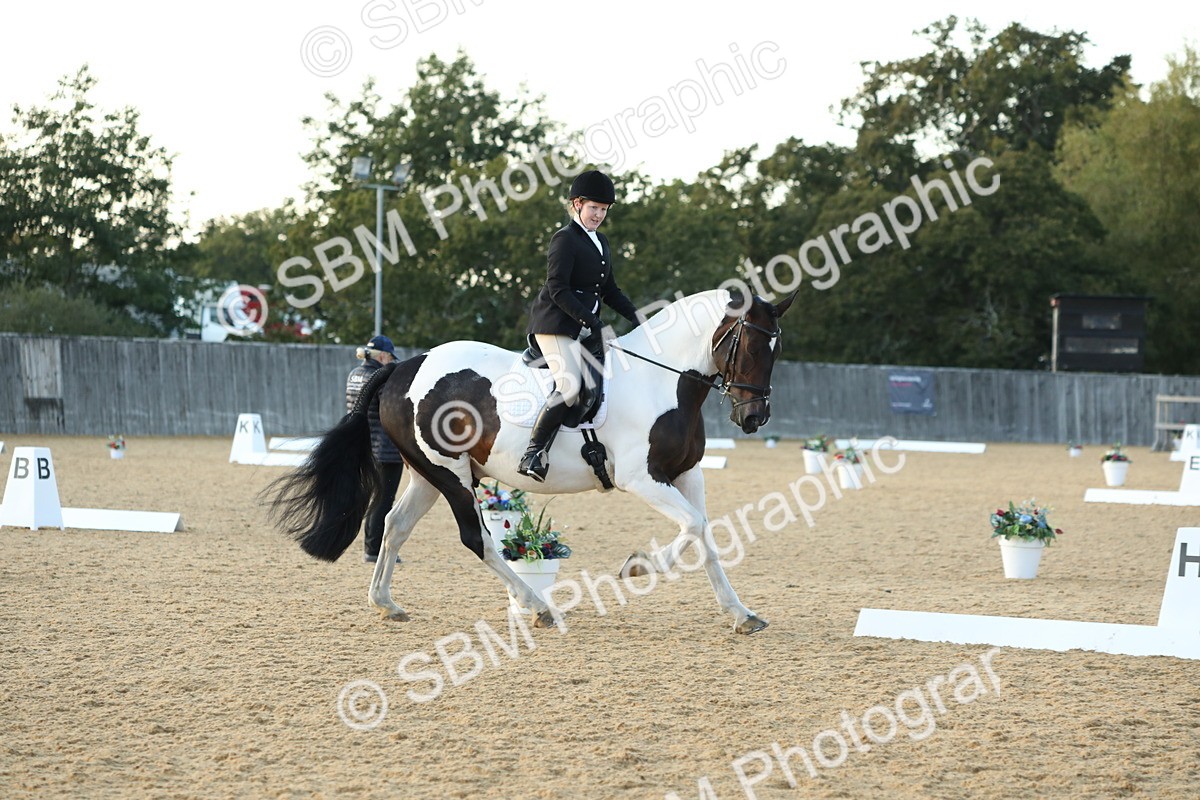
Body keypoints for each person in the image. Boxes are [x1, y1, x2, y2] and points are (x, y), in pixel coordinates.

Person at [518, 169, 641, 482]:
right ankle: (534, 453)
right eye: (593, 208)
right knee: (570, 385)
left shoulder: (601, 242)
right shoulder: (565, 239)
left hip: (583, 327)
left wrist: (638, 318)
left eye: (603, 210)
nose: (598, 215)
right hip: (555, 325)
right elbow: (558, 289)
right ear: (577, 205)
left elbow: (609, 290)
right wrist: (594, 323)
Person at [345, 334, 404, 562]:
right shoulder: (379, 377)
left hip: (365, 445)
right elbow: (391, 410)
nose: (390, 361)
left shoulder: (355, 374)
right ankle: (373, 550)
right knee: (384, 500)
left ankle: (370, 547)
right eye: (389, 357)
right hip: (385, 448)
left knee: (373, 497)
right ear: (382, 355)